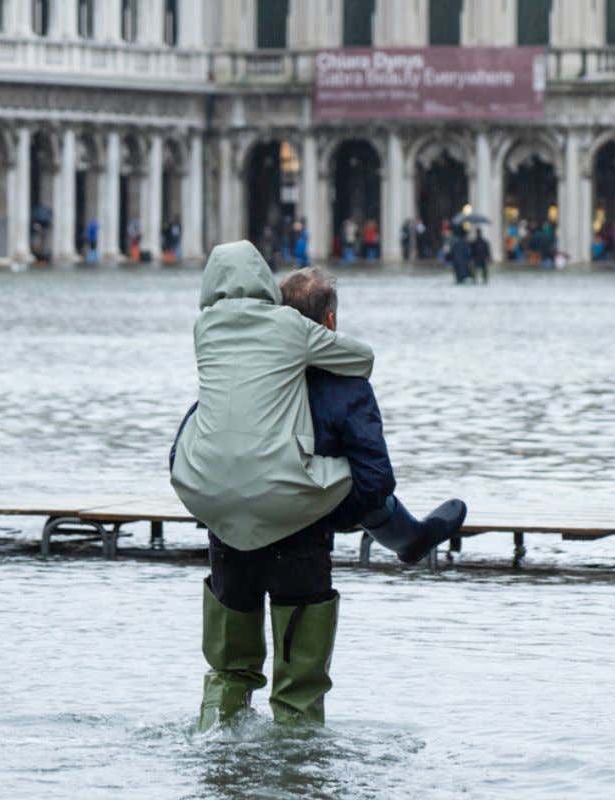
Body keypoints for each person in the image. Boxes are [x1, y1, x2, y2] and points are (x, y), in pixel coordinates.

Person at [169, 250, 466, 730]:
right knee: (298, 690)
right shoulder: (340, 384)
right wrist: (339, 514)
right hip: (299, 533)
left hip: (227, 525)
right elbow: (373, 479)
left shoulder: (215, 342)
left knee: (227, 670)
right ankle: (298, 771)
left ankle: (216, 751)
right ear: (327, 320)